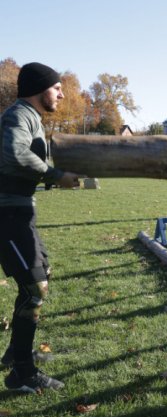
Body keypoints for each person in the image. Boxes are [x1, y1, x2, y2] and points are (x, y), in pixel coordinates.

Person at [0, 62, 81, 392]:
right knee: (35, 287)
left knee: (38, 278)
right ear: (38, 88)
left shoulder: (29, 118)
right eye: (56, 87)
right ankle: (22, 372)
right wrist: (54, 175)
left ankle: (15, 353)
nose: (62, 93)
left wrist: (57, 177)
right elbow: (12, 154)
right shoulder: (19, 115)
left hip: (20, 213)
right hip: (7, 215)